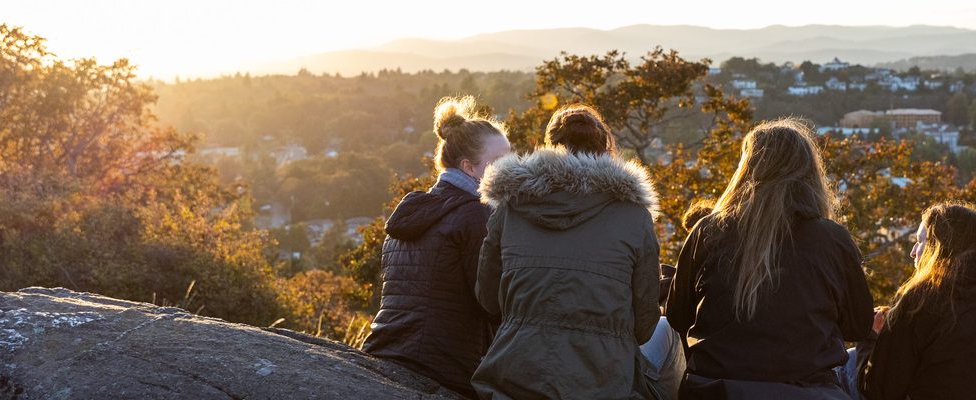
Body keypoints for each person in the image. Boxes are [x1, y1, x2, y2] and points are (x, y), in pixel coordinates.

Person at [666, 118, 875, 400]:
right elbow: (858, 326)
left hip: (716, 389)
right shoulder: (832, 238)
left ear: (746, 170)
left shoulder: (709, 231)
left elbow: (678, 316)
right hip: (807, 390)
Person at [473, 105, 663, 399]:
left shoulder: (511, 207)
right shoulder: (634, 216)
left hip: (515, 374)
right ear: (604, 148)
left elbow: (487, 299)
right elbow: (644, 327)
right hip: (604, 381)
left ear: (551, 147)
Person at [361, 96, 512, 398]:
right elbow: (492, 305)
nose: (511, 170)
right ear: (470, 168)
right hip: (443, 366)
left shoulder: (412, 212)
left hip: (384, 351)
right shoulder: (475, 214)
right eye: (500, 164)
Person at [858, 204, 976, 400]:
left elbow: (878, 391)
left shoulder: (922, 300)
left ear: (938, 247)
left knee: (843, 366)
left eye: (919, 241)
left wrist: (870, 339)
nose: (913, 251)